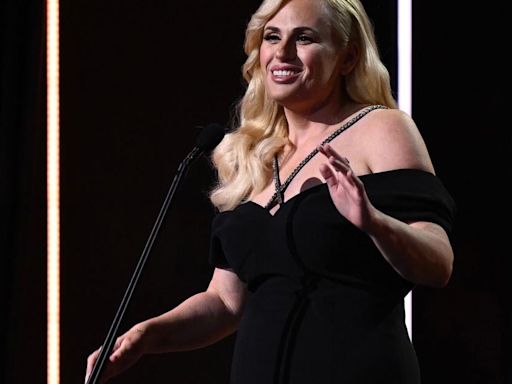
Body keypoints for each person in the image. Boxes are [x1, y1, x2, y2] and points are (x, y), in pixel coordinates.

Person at [85, 0, 456, 382]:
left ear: (347, 58)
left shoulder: (382, 129)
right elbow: (225, 301)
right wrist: (148, 335)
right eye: (272, 37)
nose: (282, 53)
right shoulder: (252, 156)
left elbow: (438, 262)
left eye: (305, 38)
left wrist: (374, 223)